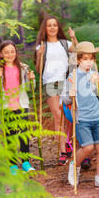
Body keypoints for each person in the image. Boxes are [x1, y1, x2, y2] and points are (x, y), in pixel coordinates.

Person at [60, 41, 99, 188]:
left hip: (98, 117)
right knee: (88, 147)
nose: (89, 62)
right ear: (78, 60)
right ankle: (74, 165)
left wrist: (98, 86)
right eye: (85, 59)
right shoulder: (72, 77)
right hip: (82, 119)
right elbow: (63, 99)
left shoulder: (98, 76)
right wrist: (70, 96)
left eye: (91, 59)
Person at [35, 15, 79, 165]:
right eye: (49, 25)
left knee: (68, 115)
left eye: (54, 25)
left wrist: (73, 38)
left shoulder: (65, 44)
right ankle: (62, 149)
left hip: (65, 81)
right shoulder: (41, 46)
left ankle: (68, 142)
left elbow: (78, 55)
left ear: (58, 27)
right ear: (45, 29)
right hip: (50, 83)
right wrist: (40, 55)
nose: (52, 28)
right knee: (57, 115)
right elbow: (38, 69)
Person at [0, 40, 36, 174]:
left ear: (16, 53)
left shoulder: (23, 68)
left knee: (23, 135)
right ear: (1, 54)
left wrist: (32, 79)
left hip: (21, 105)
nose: (10, 54)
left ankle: (26, 162)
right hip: (7, 107)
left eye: (12, 51)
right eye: (6, 52)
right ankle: (12, 165)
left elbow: (30, 88)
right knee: (10, 136)